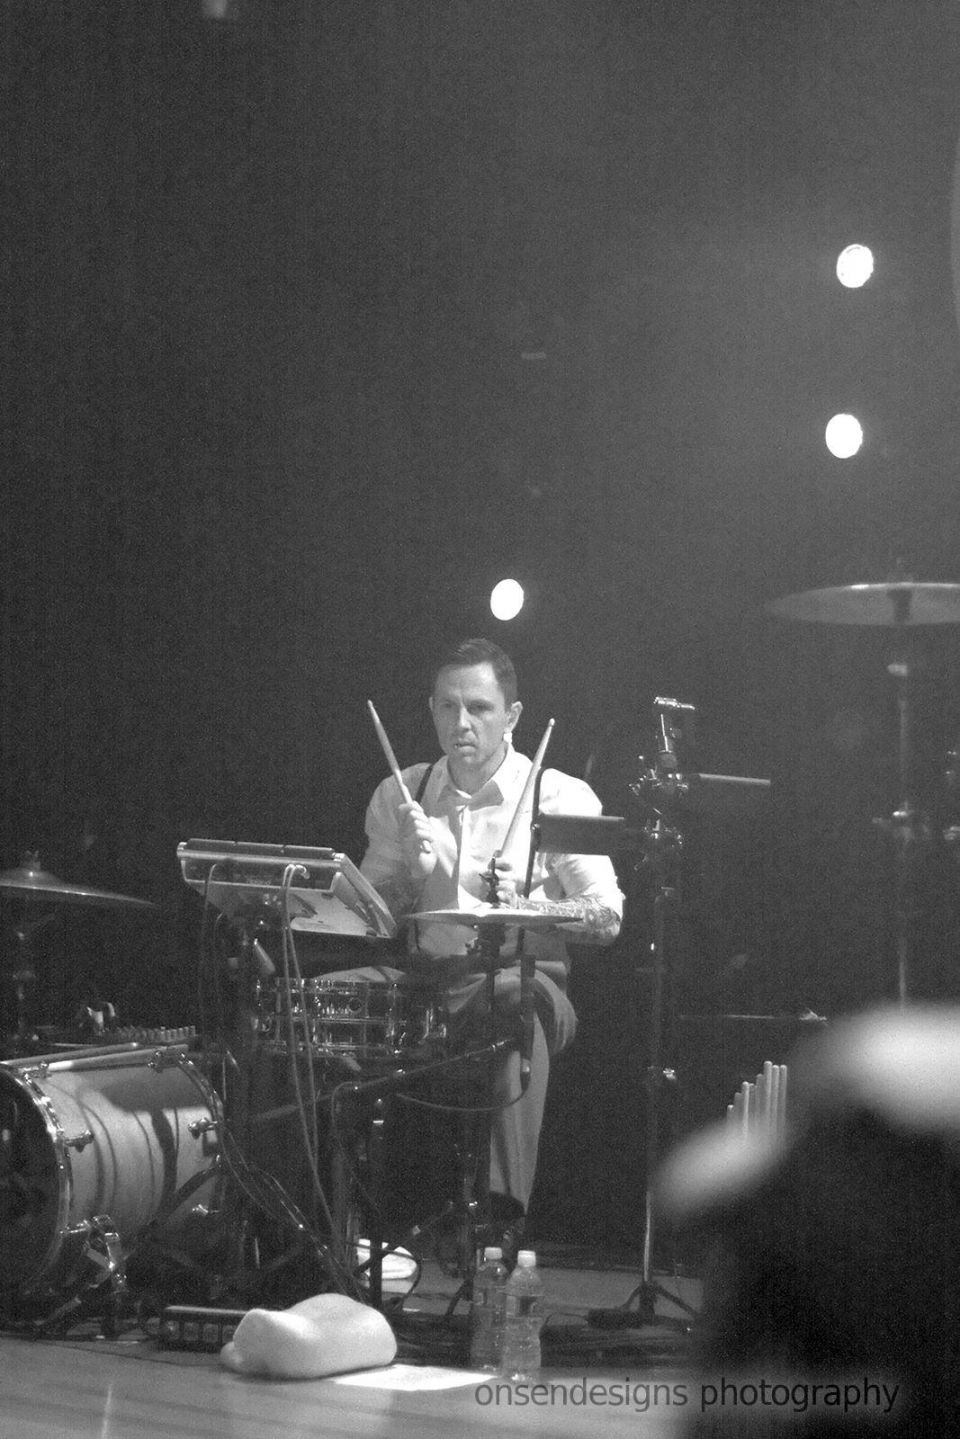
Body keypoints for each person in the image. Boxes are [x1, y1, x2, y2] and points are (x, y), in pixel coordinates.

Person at [358, 637, 624, 1249]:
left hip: (524, 976)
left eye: (478, 708)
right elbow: (371, 919)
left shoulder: (556, 796)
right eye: (448, 706)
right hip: (425, 981)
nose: (462, 722)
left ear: (512, 716)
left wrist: (527, 906)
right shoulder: (403, 793)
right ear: (430, 710)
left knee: (515, 1010)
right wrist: (411, 873)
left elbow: (607, 918)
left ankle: (497, 1227)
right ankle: (314, 1216)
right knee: (307, 1006)